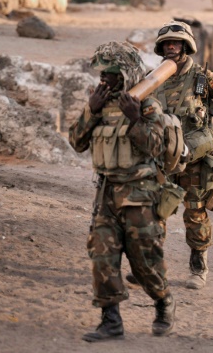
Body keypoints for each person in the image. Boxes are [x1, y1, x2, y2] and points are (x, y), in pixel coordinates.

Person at [68, 41, 175, 341]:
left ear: (125, 74)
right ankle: (110, 320)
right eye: (102, 73)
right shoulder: (99, 105)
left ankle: (164, 302)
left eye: (111, 74)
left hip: (140, 197)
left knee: (144, 263)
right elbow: (77, 143)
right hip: (106, 197)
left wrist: (135, 118)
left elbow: (155, 146)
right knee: (102, 256)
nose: (104, 79)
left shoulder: (147, 104)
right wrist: (91, 111)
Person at [153, 21, 213, 289]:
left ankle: (198, 265)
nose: (171, 46)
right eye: (167, 43)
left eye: (176, 43)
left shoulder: (203, 78)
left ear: (186, 46)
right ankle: (152, 267)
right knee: (156, 212)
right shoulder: (154, 78)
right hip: (164, 155)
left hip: (195, 156)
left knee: (195, 212)